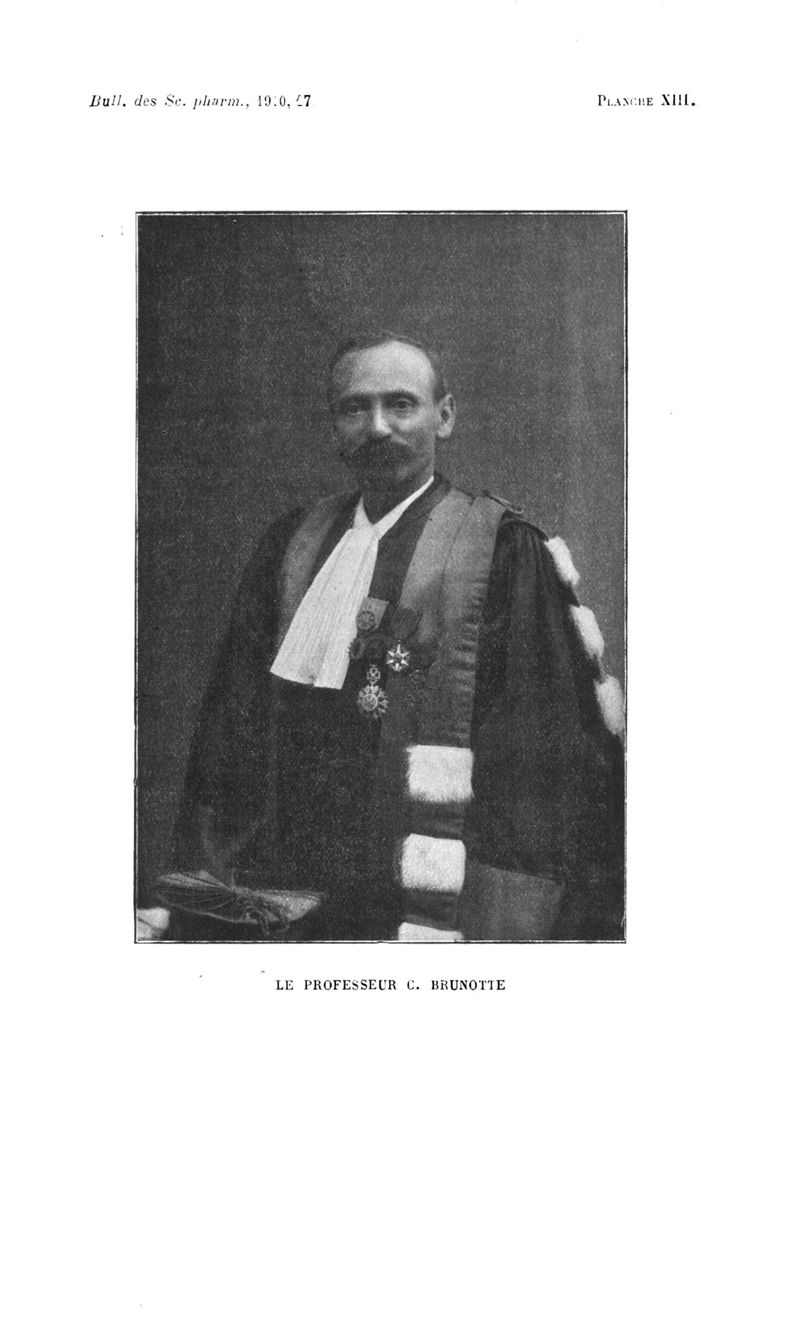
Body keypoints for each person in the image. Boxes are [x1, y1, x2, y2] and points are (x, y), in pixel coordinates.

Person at [137, 333, 624, 943]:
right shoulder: (291, 544)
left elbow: (537, 762)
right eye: (354, 408)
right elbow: (230, 730)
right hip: (288, 881)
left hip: (424, 894)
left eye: (400, 404)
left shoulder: (502, 548)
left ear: (444, 417)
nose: (377, 426)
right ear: (334, 427)